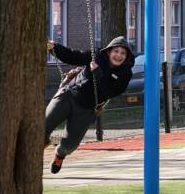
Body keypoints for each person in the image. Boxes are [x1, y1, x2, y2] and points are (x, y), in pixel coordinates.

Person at [44, 36, 134, 173]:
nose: (119, 55)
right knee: (43, 125)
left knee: (69, 146)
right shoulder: (95, 56)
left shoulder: (125, 74)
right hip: (69, 95)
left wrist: (98, 74)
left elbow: (110, 92)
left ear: (127, 57)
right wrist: (54, 47)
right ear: (109, 51)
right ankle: (42, 141)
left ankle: (59, 155)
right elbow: (73, 56)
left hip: (87, 109)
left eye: (123, 53)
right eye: (116, 51)